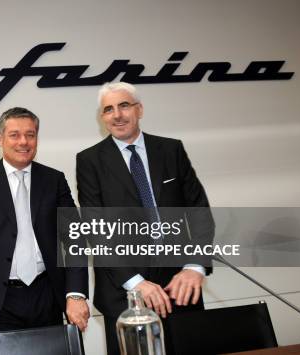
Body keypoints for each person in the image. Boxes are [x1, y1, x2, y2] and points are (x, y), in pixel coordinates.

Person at [76, 82, 212, 355]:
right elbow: (96, 230)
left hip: (179, 286)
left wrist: (195, 266)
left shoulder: (171, 150)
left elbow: (199, 210)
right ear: (102, 118)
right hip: (124, 292)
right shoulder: (89, 161)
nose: (117, 115)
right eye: (109, 109)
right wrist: (136, 283)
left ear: (139, 109)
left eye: (124, 105)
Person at [0, 107, 90, 351]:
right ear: (0, 138)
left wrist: (76, 293)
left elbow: (74, 239)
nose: (23, 142)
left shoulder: (54, 180)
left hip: (47, 295)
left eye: (31, 134)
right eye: (15, 135)